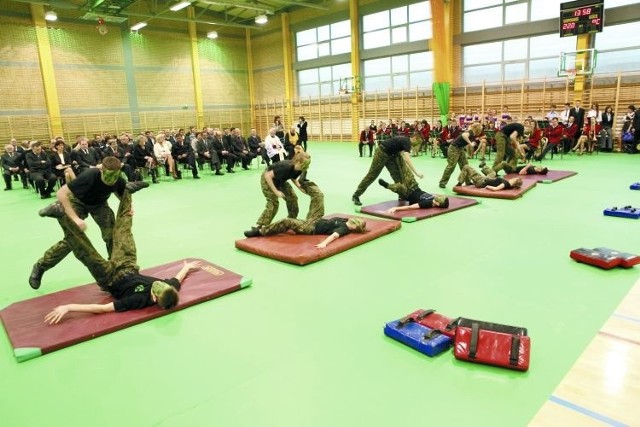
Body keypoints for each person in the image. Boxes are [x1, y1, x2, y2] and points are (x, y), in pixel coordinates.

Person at [39, 185, 202, 324]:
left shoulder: (138, 300)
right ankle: (126, 192)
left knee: (84, 250)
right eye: (164, 284)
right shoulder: (170, 289)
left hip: (109, 278)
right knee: (124, 233)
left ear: (155, 297)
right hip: (127, 266)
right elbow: (178, 278)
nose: (160, 283)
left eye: (158, 287)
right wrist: (187, 267)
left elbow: (103, 309)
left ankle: (60, 214)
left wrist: (68, 307)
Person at [28, 156, 128, 290]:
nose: (111, 181)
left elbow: (124, 197)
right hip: (78, 201)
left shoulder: (118, 179)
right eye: (109, 176)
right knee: (72, 241)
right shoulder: (90, 176)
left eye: (115, 177)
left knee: (112, 236)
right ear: (101, 170)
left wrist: (129, 207)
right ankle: (41, 266)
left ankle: (113, 272)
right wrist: (75, 219)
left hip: (99, 205)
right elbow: (62, 193)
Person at [352, 136, 424, 206]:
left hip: (391, 155)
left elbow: (402, 156)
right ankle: (356, 195)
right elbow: (407, 159)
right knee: (372, 175)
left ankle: (401, 195)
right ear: (414, 138)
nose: (417, 145)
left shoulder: (404, 141)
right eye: (418, 142)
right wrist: (416, 173)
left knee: (398, 176)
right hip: (381, 153)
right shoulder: (406, 141)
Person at [252, 151, 311, 229]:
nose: (303, 168)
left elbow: (293, 177)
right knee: (273, 203)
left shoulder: (299, 168)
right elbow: (267, 176)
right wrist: (276, 192)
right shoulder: (285, 166)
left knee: (292, 198)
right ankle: (261, 225)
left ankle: (291, 220)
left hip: (280, 180)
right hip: (268, 179)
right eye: (302, 166)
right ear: (297, 161)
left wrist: (301, 188)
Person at [244, 214, 366, 249]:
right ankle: (265, 229)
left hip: (310, 229)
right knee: (286, 223)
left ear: (355, 228)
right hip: (311, 222)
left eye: (356, 222)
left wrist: (324, 243)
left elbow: (334, 236)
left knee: (287, 221)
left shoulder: (344, 229)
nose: (354, 220)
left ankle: (260, 232)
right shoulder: (344, 220)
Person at [438, 122, 482, 189]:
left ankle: (468, 181)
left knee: (465, 165)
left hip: (460, 149)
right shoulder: (470, 132)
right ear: (477, 128)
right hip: (454, 148)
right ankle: (442, 182)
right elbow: (464, 135)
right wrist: (470, 143)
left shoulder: (472, 133)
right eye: (480, 129)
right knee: (451, 166)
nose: (481, 131)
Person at [377, 178, 449, 213]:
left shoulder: (427, 203)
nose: (439, 196)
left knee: (399, 187)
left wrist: (395, 208)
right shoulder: (434, 197)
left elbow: (410, 207)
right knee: (409, 178)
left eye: (440, 197)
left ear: (437, 203)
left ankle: (387, 186)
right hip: (415, 187)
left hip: (408, 194)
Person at [456, 164, 523, 191]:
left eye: (514, 178)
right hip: (488, 179)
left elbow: (495, 189)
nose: (512, 178)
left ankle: (460, 182)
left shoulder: (505, 183)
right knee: (493, 173)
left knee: (466, 167)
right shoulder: (508, 184)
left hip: (481, 181)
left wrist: (486, 187)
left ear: (514, 181)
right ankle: (484, 166)